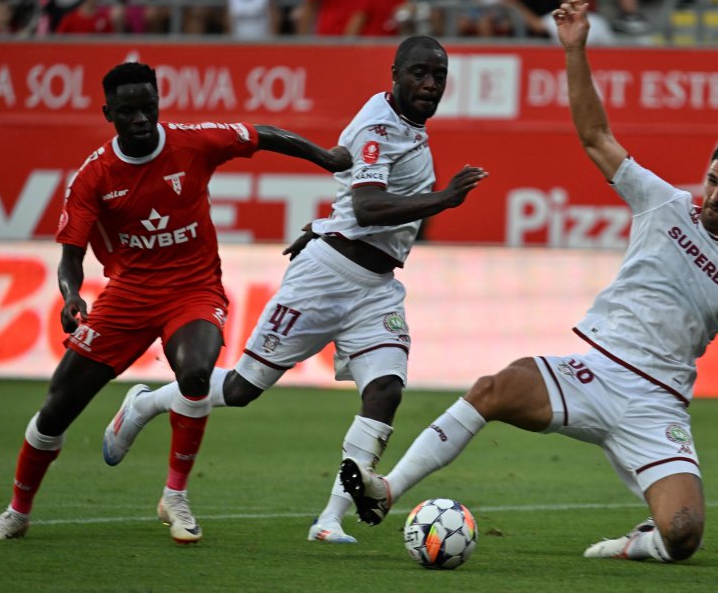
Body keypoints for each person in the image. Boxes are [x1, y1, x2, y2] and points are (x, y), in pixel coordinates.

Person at [339, 0, 718, 564]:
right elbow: (596, 136)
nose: (714, 196)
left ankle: (635, 545)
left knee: (686, 534)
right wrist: (575, 50)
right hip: (592, 372)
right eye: (713, 180)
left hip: (658, 405)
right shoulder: (663, 203)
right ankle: (387, 489)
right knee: (493, 387)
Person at [101, 36, 489, 544]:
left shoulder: (408, 127)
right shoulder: (377, 128)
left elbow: (356, 206)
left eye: (438, 76)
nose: (430, 84)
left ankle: (329, 520)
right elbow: (370, 208)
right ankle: (146, 404)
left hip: (376, 286)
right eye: (419, 73)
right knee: (242, 389)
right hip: (326, 279)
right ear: (394, 72)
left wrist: (330, 220)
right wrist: (444, 199)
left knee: (386, 390)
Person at [0, 61, 351, 544]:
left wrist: (326, 157)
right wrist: (71, 297)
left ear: (158, 103)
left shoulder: (193, 142)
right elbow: (71, 257)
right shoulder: (93, 177)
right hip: (127, 297)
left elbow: (261, 135)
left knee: (196, 372)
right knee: (57, 408)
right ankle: (17, 512)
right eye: (128, 111)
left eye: (148, 107)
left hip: (194, 290)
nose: (140, 119)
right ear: (108, 112)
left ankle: (175, 496)